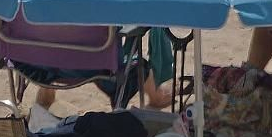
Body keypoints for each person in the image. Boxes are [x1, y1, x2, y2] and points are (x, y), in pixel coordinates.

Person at [33, 27, 177, 113]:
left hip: (38, 65)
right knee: (139, 64)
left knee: (57, 42)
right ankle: (157, 97)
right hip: (93, 67)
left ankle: (45, 96)